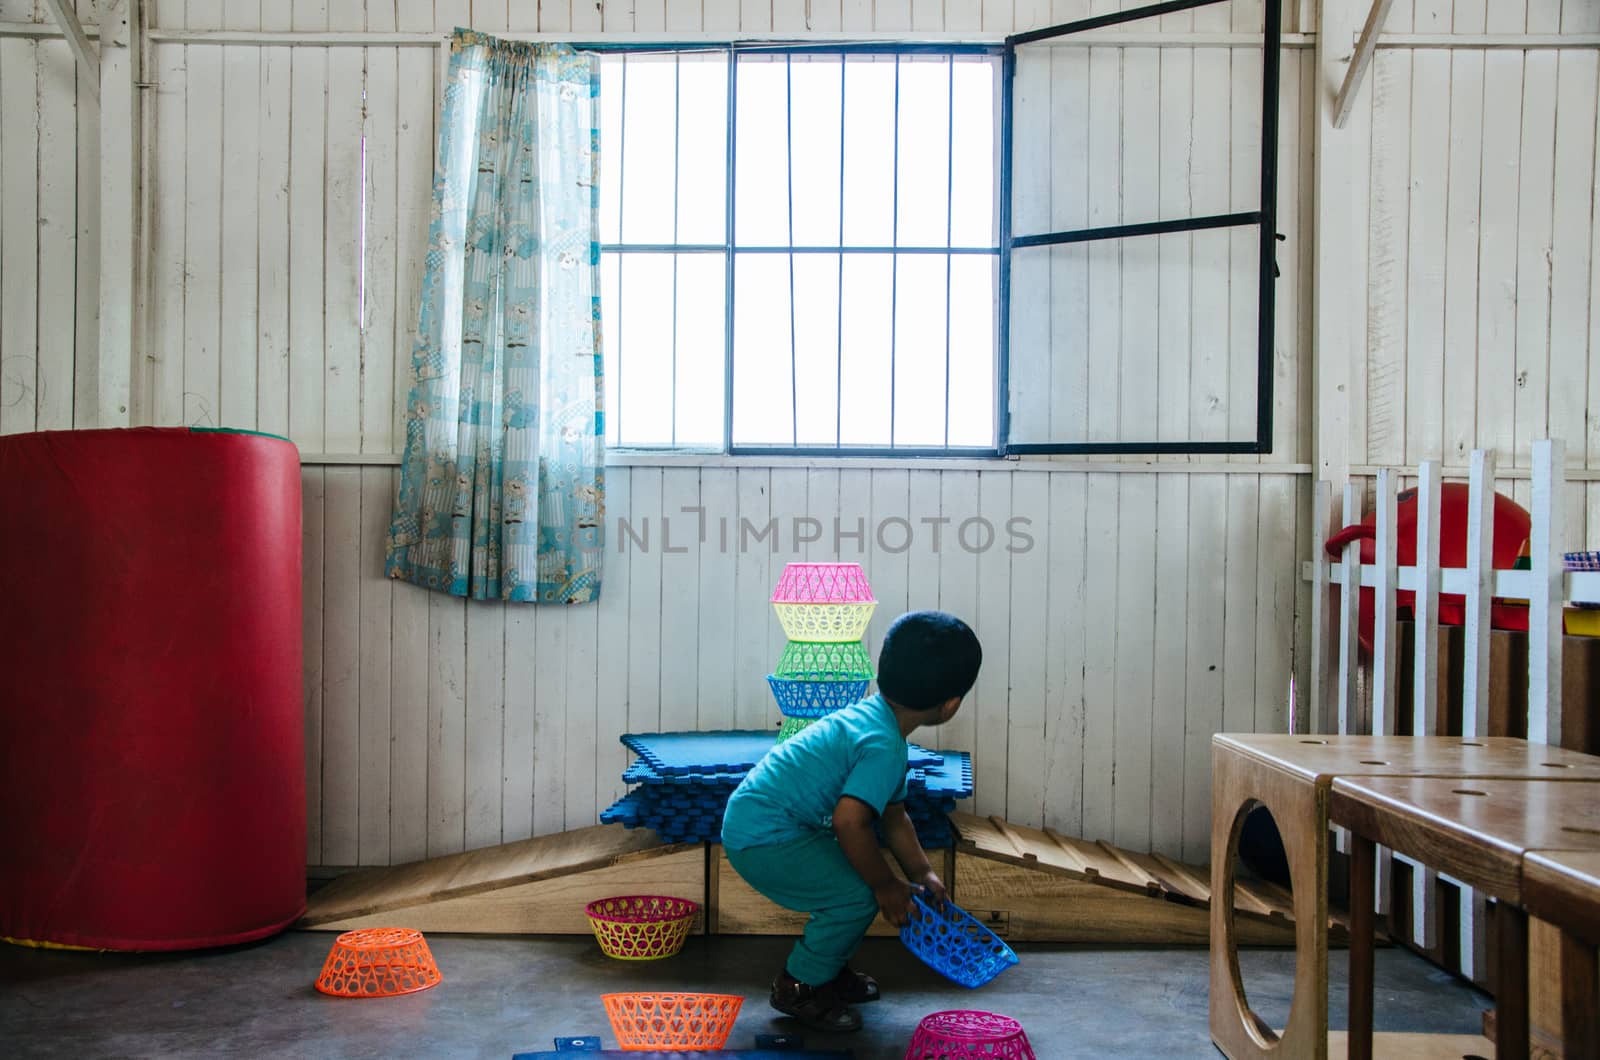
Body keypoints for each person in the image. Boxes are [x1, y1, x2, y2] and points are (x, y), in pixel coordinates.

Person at [721, 610, 983, 1032]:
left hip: (775, 821)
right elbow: (849, 823)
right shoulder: (883, 746)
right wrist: (886, 885)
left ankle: (826, 967)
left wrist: (922, 873)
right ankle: (799, 984)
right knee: (856, 897)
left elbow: (894, 815)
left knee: (857, 887)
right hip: (765, 835)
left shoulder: (877, 722)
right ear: (950, 705)